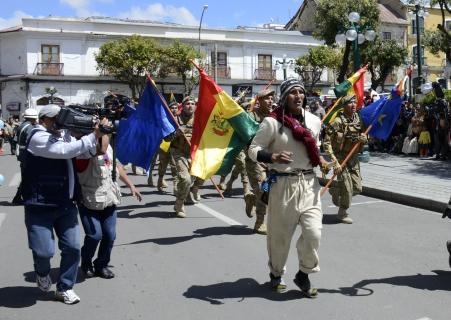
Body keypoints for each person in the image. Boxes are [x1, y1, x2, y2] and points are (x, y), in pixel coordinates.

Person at [248, 78, 329, 297]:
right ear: (285, 98)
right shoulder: (272, 123)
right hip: (283, 184)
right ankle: (276, 273)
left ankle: (304, 273)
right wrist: (272, 156)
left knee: (313, 232)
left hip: (309, 184)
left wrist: (322, 161)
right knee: (280, 237)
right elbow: (253, 150)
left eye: (300, 92)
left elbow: (315, 150)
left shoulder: (314, 121)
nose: (298, 96)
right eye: (293, 93)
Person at [21, 104, 106, 304]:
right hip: (39, 204)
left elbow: (90, 152)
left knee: (73, 248)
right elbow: (63, 151)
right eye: (58, 118)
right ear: (44, 119)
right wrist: (91, 135)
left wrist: (100, 132)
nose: (63, 122)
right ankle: (42, 273)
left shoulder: (66, 136)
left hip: (65, 204)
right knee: (44, 252)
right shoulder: (37, 137)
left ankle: (64, 287)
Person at [76, 134, 142, 279]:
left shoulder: (108, 147)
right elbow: (100, 149)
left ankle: (101, 265)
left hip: (109, 198)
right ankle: (86, 262)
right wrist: (104, 132)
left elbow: (115, 165)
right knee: (94, 235)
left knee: (110, 235)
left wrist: (131, 185)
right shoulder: (82, 148)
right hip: (89, 200)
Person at [323, 95, 368, 224]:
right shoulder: (337, 122)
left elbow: (364, 135)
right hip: (340, 158)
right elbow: (326, 143)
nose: (353, 105)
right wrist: (334, 162)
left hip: (353, 158)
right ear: (343, 106)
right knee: (348, 188)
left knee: (357, 188)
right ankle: (342, 213)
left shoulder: (358, 120)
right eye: (350, 103)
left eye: (354, 102)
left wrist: (364, 139)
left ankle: (336, 190)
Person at [244, 88, 276, 234]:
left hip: (271, 159)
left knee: (267, 189)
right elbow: (244, 137)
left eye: (272, 98)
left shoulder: (275, 116)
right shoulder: (250, 116)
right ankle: (260, 223)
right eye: (267, 98)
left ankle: (251, 198)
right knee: (265, 189)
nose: (270, 101)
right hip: (255, 159)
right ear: (259, 101)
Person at [170, 96, 203, 218]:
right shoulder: (175, 120)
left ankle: (189, 192)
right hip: (179, 153)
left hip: (194, 153)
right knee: (185, 179)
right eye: (187, 103)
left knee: (201, 175)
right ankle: (179, 204)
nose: (190, 105)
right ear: (182, 106)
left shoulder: (199, 120)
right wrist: (176, 133)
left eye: (192, 103)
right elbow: (166, 138)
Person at [11, 108, 39, 205]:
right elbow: (31, 141)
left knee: (26, 176)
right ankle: (20, 197)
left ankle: (18, 197)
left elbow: (14, 139)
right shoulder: (30, 127)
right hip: (28, 155)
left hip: (22, 155)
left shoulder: (21, 125)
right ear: (33, 118)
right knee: (28, 177)